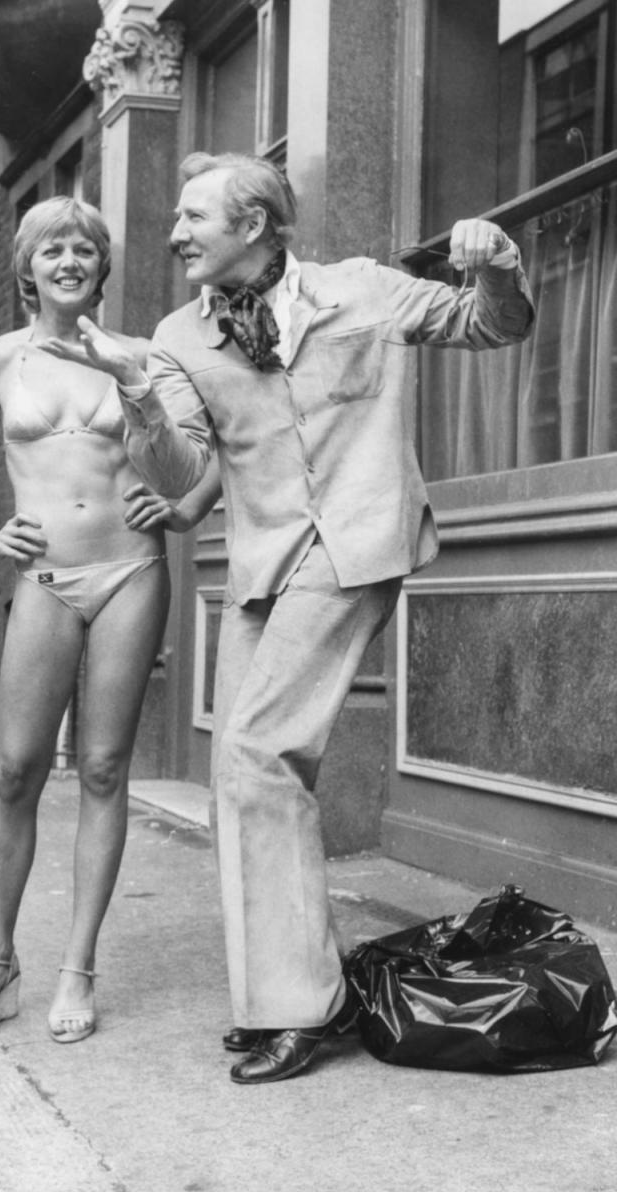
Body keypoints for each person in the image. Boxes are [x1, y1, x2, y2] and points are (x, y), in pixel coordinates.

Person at [41, 151, 535, 1083]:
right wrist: (135, 384)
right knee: (245, 772)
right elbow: (182, 481)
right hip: (266, 564)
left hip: (357, 543)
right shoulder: (177, 335)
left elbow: (490, 325)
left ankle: (300, 1007)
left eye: (194, 217)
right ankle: (284, 989)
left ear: (256, 225)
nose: (175, 232)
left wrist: (498, 264)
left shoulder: (363, 291)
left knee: (256, 756)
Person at [0, 196, 171, 1044]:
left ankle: (78, 965)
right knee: (18, 771)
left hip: (130, 571)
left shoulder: (137, 354)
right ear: (27, 266)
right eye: (52, 249)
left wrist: (170, 504)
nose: (69, 260)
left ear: (102, 265)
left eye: (83, 249)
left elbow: (195, 460)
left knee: (104, 770)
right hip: (44, 577)